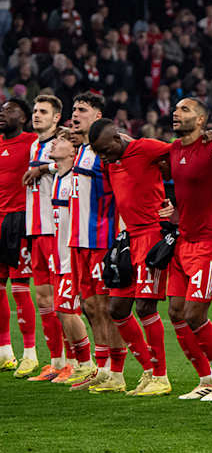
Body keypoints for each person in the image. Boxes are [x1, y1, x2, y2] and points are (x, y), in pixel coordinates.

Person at [89, 118, 180, 397]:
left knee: (145, 308)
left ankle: (161, 377)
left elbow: (182, 156)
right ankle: (148, 370)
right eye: (99, 153)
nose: (103, 157)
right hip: (128, 237)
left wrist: (175, 200)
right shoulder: (109, 160)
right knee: (117, 307)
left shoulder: (145, 148)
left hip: (152, 236)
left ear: (117, 139)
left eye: (106, 150)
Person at [165, 99, 212, 401]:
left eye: (184, 110)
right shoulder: (170, 150)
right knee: (176, 312)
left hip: (209, 243)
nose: (175, 113)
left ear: (200, 120)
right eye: (176, 109)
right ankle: (206, 379)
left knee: (196, 313)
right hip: (183, 241)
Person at [63, 93, 119, 389]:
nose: (75, 114)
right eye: (73, 109)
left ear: (98, 117)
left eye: (82, 110)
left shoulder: (106, 151)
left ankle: (115, 370)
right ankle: (102, 367)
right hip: (78, 241)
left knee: (107, 306)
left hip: (101, 240)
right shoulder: (81, 149)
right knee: (90, 306)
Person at [18, 95, 62, 379]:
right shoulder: (35, 144)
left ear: (56, 117)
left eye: (43, 111)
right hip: (34, 230)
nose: (36, 115)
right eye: (34, 111)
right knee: (44, 299)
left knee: (63, 301)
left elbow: (66, 166)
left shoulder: (62, 143)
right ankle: (56, 362)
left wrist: (43, 168)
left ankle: (79, 360)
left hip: (55, 230)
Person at [45, 127, 94, 384]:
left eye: (61, 140)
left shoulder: (76, 177)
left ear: (73, 151)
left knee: (67, 310)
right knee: (62, 310)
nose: (54, 144)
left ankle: (86, 363)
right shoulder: (58, 175)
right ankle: (74, 362)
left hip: (72, 255)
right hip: (59, 254)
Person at [0, 98, 38, 372]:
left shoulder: (33, 142)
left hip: (19, 219)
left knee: (20, 287)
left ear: (23, 118)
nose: (2, 114)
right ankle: (4, 352)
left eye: (9, 110)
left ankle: (30, 352)